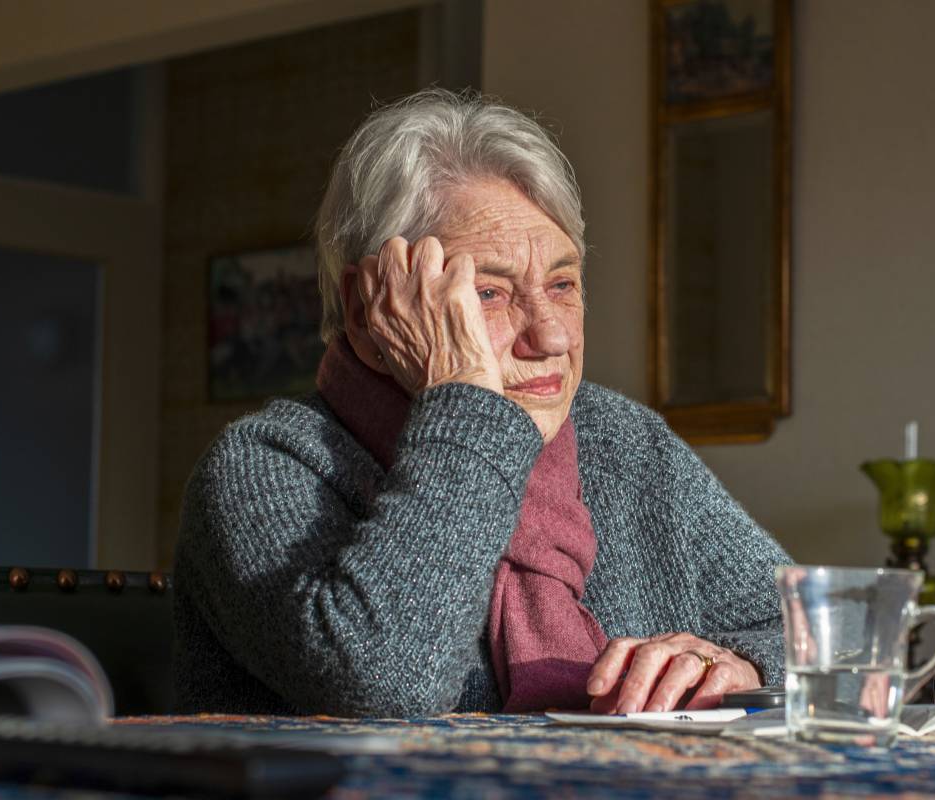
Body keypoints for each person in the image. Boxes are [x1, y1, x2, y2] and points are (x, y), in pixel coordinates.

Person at [173, 89, 790, 717]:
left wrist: (737, 664)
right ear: (368, 311)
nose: (552, 335)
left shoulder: (621, 439)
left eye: (562, 283)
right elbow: (386, 687)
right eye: (490, 293)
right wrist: (464, 400)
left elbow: (813, 631)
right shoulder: (263, 467)